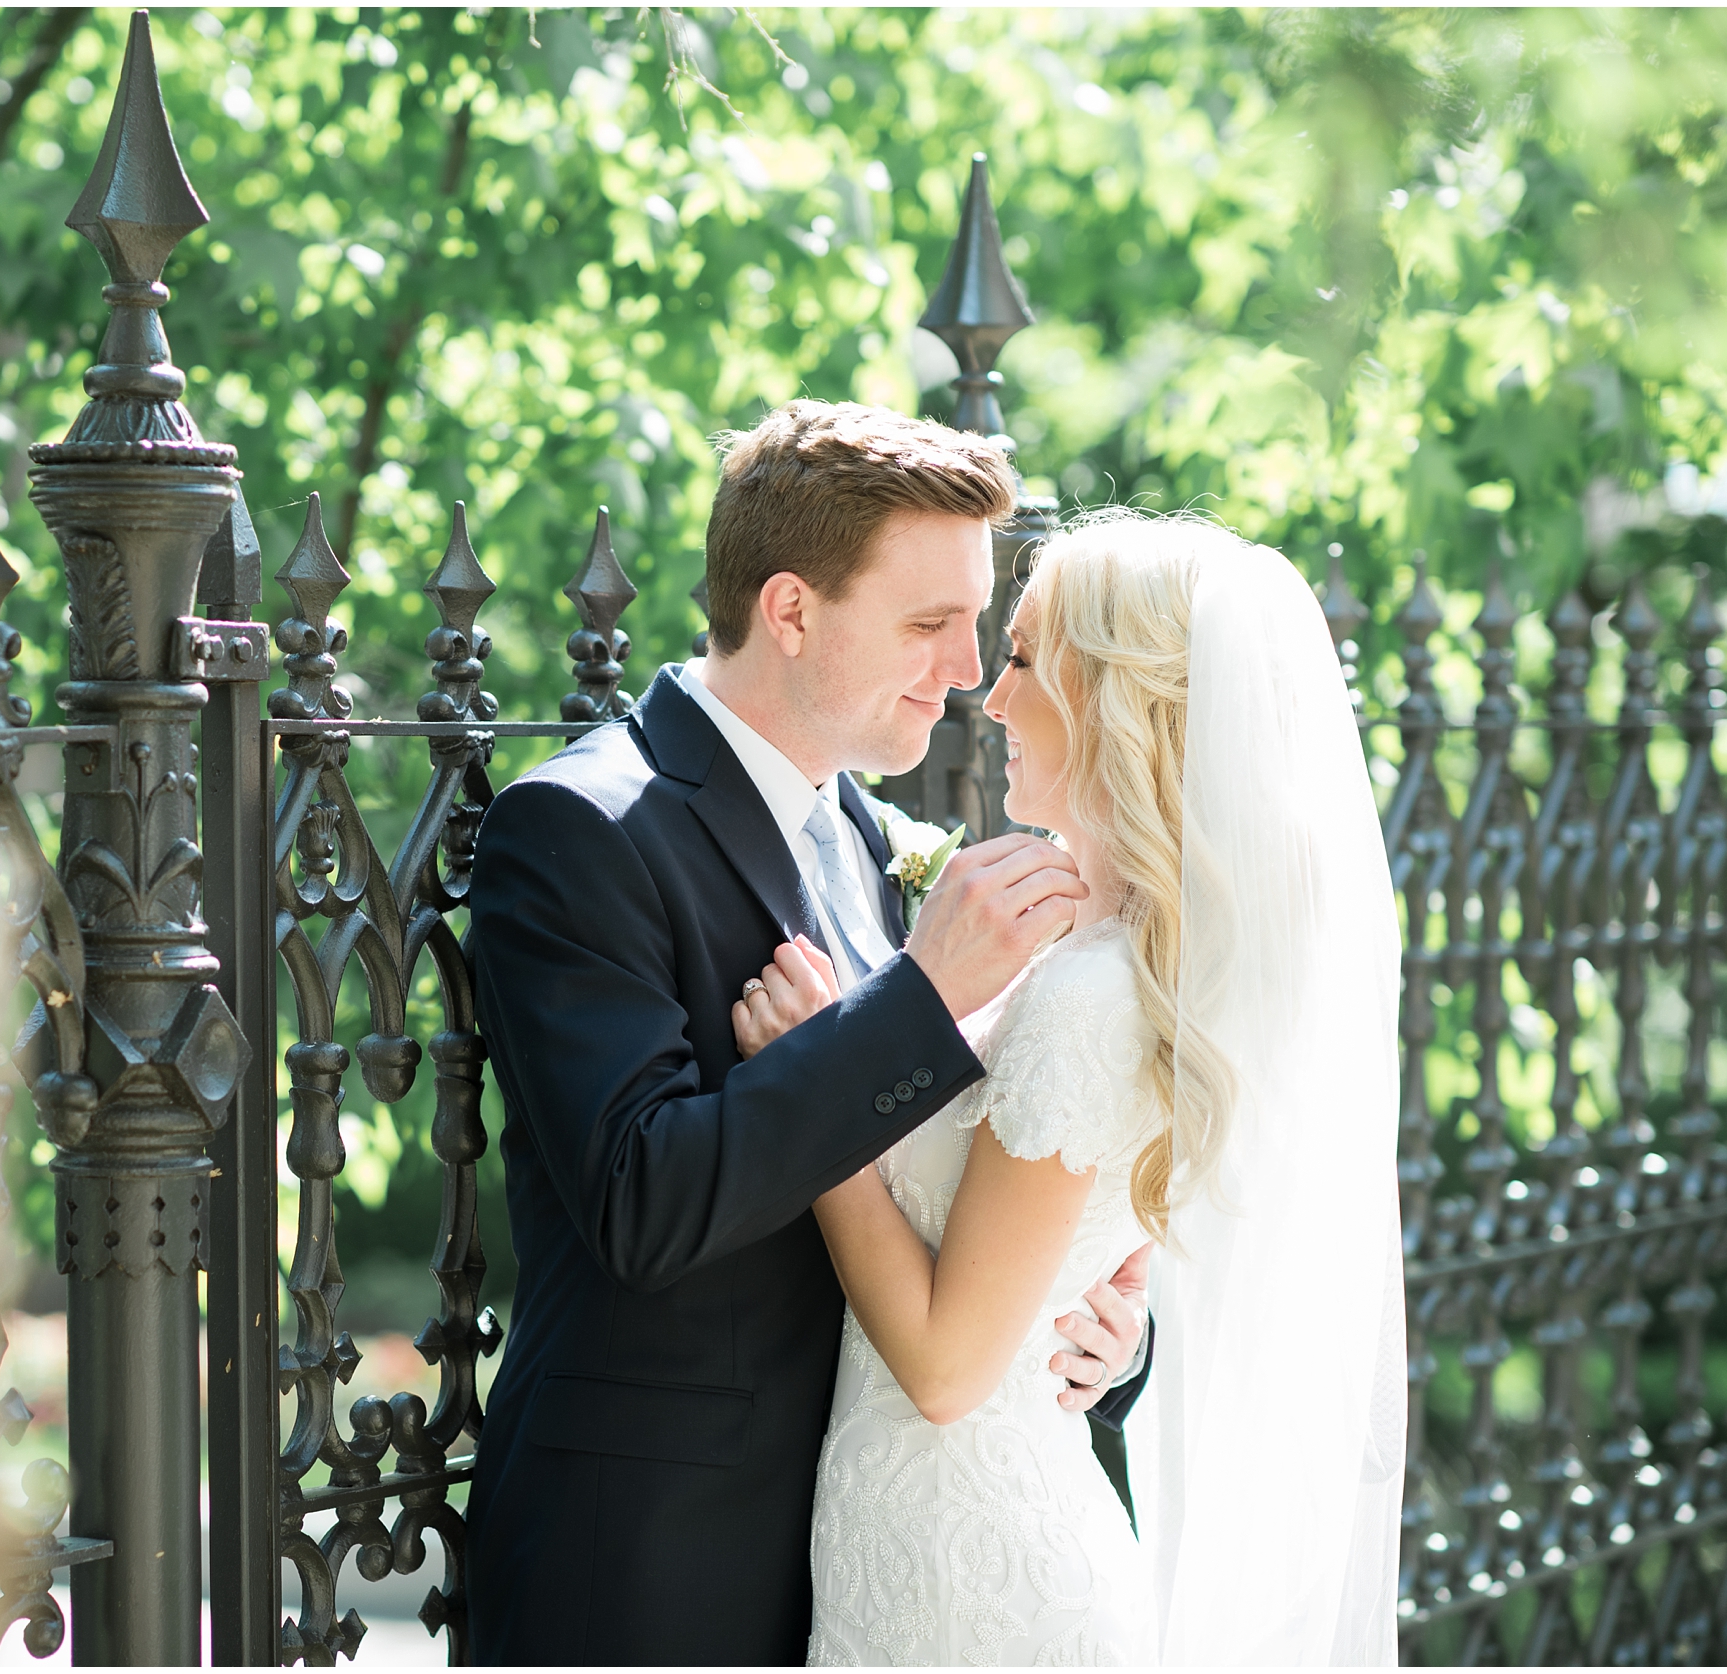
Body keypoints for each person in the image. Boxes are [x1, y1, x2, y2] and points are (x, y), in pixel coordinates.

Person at [464, 401, 1155, 1666]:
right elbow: (642, 1204)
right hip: (652, 1572)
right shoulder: (579, 830)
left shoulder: (852, 829)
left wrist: (1097, 1336)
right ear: (790, 611)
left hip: (870, 1564)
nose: (963, 673)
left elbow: (927, 1171)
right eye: (927, 624)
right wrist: (922, 998)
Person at [761, 509, 1405, 1664]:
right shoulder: (1094, 956)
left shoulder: (1094, 996)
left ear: (1114, 696)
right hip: (942, 1536)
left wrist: (817, 1095)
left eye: (1021, 660)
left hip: (972, 1575)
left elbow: (951, 1368)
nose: (990, 699)